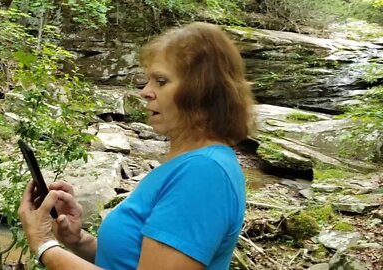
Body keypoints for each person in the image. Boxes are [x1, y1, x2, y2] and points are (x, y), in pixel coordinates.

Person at [18, 22, 254, 270]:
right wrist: (78, 240)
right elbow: (130, 262)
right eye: (148, 80)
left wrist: (44, 245)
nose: (145, 92)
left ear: (203, 92)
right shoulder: (190, 164)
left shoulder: (203, 173)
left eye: (161, 81)